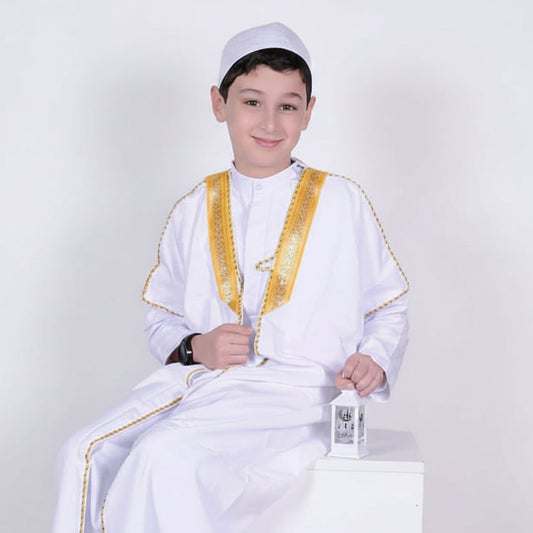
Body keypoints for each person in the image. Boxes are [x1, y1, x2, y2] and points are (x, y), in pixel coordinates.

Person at [53, 22, 409, 533]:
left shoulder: (341, 201)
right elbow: (161, 317)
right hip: (200, 386)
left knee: (164, 458)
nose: (270, 122)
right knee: (80, 454)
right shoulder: (193, 208)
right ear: (219, 104)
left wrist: (374, 359)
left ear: (309, 112)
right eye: (251, 102)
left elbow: (387, 306)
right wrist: (196, 347)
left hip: (296, 398)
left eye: (288, 106)